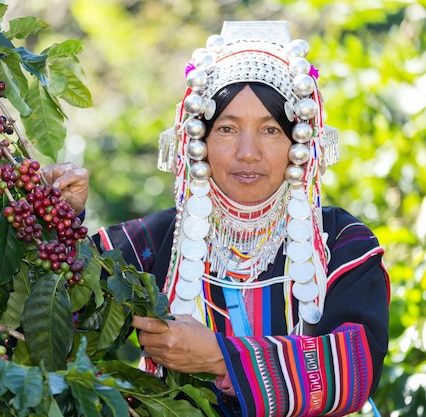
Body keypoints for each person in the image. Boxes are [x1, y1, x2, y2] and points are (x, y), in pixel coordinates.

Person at [43, 20, 389, 417]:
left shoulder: (341, 241)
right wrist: (62, 220)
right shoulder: (157, 241)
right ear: (198, 142)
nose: (248, 153)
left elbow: (355, 365)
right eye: (226, 129)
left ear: (300, 141)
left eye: (271, 130)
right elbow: (63, 306)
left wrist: (222, 358)